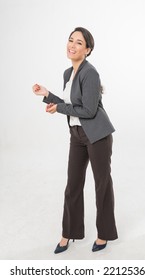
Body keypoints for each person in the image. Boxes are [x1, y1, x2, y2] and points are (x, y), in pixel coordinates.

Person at [32, 27, 118, 253]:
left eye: (79, 43)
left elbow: (88, 110)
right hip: (77, 135)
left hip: (97, 136)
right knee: (72, 186)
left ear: (88, 50)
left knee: (102, 185)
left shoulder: (91, 73)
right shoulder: (67, 73)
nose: (72, 45)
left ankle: (104, 234)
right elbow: (73, 105)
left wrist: (59, 108)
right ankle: (68, 233)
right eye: (71, 40)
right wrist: (48, 96)